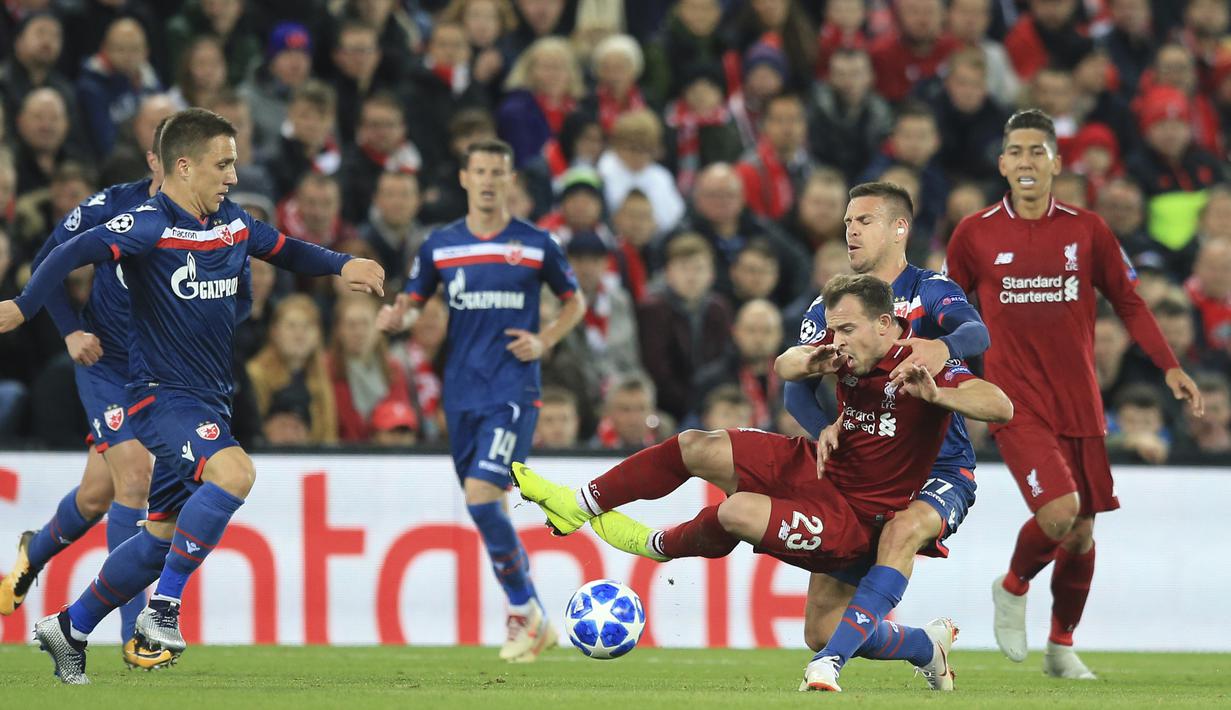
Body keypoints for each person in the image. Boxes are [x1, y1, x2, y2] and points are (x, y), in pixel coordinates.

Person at [0, 107, 384, 684]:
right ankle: (162, 613)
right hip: (160, 398)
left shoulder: (232, 223)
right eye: (222, 164)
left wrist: (343, 263)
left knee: (159, 538)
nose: (233, 175)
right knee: (234, 474)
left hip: (209, 398)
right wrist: (26, 306)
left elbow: (286, 249)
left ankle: (69, 628)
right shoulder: (149, 224)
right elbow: (69, 251)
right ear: (184, 166)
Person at [512, 273, 1013, 692]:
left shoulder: (923, 362)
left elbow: (1000, 406)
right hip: (814, 466)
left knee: (793, 593)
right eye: (833, 329)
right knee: (697, 444)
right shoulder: (842, 352)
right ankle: (577, 504)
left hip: (854, 515)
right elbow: (784, 363)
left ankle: (657, 544)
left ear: (885, 325)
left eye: (847, 329)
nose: (837, 339)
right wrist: (812, 361)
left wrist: (940, 397)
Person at [945, 108, 1203, 679]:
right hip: (1015, 401)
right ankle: (1011, 587)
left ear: (1057, 163)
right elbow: (947, 311)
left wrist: (1169, 366)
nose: (1028, 162)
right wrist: (940, 375)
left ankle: (1061, 646)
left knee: (1083, 532)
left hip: (1080, 399)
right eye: (1017, 152)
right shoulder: (975, 232)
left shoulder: (1087, 229)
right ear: (1002, 164)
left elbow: (1130, 300)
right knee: (1060, 513)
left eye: (1039, 151)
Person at [377, 138, 584, 663]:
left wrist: (546, 340)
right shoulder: (439, 245)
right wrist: (397, 317)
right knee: (485, 505)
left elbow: (574, 302)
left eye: (499, 170)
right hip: (461, 394)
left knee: (478, 496)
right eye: (481, 171)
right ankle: (534, 613)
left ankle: (521, 613)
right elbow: (413, 300)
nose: (490, 180)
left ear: (510, 179)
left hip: (513, 391)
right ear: (465, 179)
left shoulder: (537, 243)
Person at [777, 181, 991, 690]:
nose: (850, 230)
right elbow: (795, 393)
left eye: (864, 221)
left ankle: (829, 667)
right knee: (820, 627)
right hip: (865, 472)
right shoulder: (831, 306)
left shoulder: (930, 289)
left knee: (901, 531)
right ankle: (924, 646)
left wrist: (943, 348)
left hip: (939, 468)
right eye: (848, 221)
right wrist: (823, 428)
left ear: (900, 229)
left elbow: (975, 333)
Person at [0, 117, 175, 645]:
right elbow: (47, 260)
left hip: (161, 373)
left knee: (97, 496)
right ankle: (131, 635)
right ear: (155, 162)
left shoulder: (209, 221)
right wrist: (72, 331)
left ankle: (34, 552)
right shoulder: (108, 206)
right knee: (136, 482)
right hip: (105, 364)